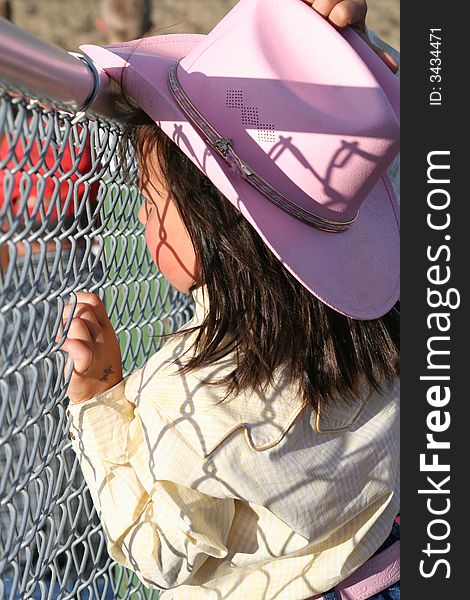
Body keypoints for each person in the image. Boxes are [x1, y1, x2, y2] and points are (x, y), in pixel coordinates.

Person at [60, 0, 400, 598]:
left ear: (210, 224)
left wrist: (101, 401)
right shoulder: (387, 332)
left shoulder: (187, 390)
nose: (143, 215)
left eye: (149, 198)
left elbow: (157, 551)